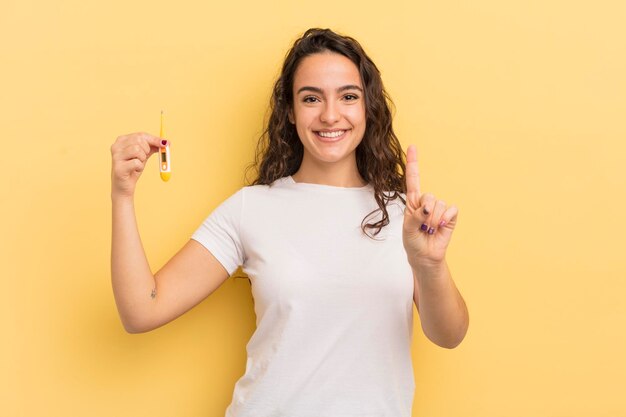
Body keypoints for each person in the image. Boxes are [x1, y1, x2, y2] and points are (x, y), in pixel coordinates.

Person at [110, 28, 469, 417]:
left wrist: (429, 265)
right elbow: (141, 311)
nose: (330, 115)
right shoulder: (251, 208)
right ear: (291, 112)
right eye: (311, 98)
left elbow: (449, 335)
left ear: (368, 108)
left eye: (348, 96)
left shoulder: (406, 217)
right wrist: (122, 195)